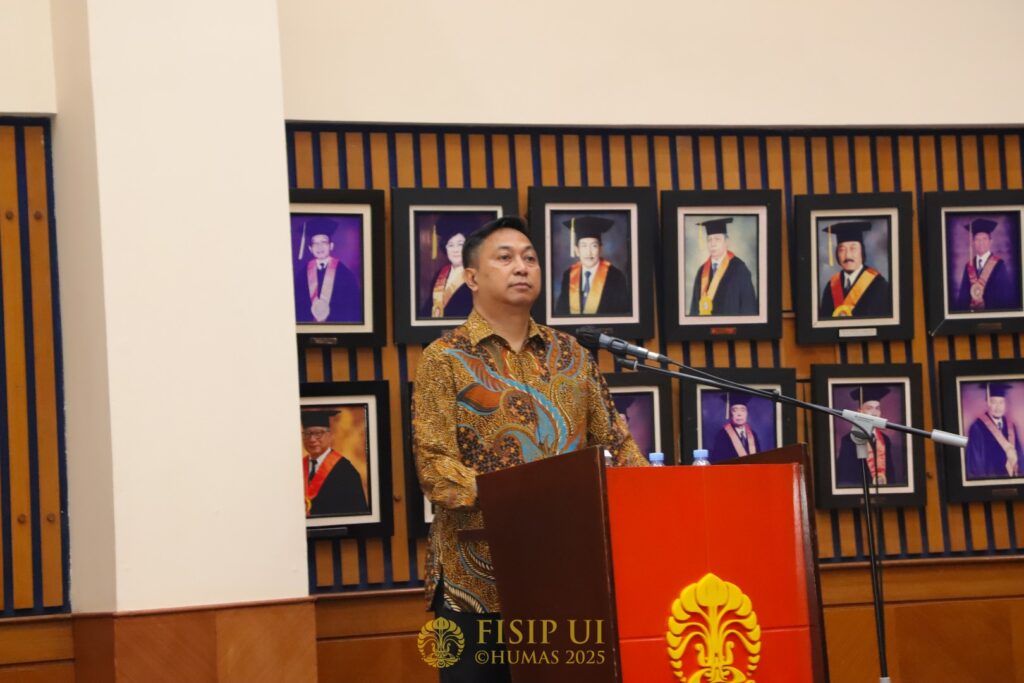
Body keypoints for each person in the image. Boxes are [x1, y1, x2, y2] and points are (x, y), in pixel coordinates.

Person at [413, 216, 646, 682]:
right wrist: (522, 498)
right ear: (472, 277)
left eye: (530, 258)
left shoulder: (573, 355)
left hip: (568, 575)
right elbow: (435, 467)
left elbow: (616, 447)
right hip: (476, 585)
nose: (522, 267)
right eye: (505, 258)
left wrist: (655, 495)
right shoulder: (444, 358)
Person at [553, 215, 630, 316]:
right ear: (577, 250)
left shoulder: (616, 277)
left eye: (594, 246)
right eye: (584, 246)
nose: (589, 252)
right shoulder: (568, 275)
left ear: (600, 249)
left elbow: (622, 316)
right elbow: (560, 313)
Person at [818, 220, 892, 319]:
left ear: (862, 252)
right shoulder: (831, 286)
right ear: (837, 254)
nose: (848, 255)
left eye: (853, 248)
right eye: (842, 250)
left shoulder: (879, 285)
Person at [294, 216, 362, 323]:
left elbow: (352, 308)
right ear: (310, 249)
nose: (319, 247)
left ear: (331, 246)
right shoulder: (301, 276)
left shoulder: (345, 275)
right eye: (315, 243)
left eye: (324, 242)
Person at [301, 409, 369, 516]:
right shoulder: (297, 468)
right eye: (307, 434)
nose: (312, 439)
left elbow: (357, 514)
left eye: (318, 433)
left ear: (329, 435)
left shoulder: (346, 472)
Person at [688, 217, 757, 316]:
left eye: (717, 239)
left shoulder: (739, 268)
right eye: (709, 240)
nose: (713, 244)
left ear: (727, 242)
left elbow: (749, 308)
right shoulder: (701, 271)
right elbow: (694, 309)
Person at [835, 386, 901, 488]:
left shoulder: (885, 440)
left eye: (877, 408)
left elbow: (891, 477)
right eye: (869, 408)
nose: (874, 413)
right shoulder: (849, 441)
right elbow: (845, 478)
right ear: (859, 412)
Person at [953, 218, 1019, 312]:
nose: (981, 243)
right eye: (977, 239)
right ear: (973, 243)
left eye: (984, 239)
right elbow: (963, 298)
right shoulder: (968, 266)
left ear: (990, 241)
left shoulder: (999, 265)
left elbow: (1005, 296)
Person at [965, 382, 1021, 479]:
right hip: (989, 482)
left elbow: (1020, 457)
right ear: (988, 403)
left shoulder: (1012, 426)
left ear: (1005, 404)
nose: (998, 407)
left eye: (1001, 402)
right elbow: (975, 463)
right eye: (994, 402)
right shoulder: (977, 428)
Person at [419, 218, 472, 319]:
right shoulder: (440, 274)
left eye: (460, 244)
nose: (455, 250)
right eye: (450, 245)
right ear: (445, 248)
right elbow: (428, 308)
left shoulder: (476, 276)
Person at [709, 392, 761, 462]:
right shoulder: (722, 435)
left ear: (747, 413)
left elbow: (759, 459)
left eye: (743, 410)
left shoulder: (753, 434)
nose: (739, 414)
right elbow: (718, 461)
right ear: (730, 414)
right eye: (735, 410)